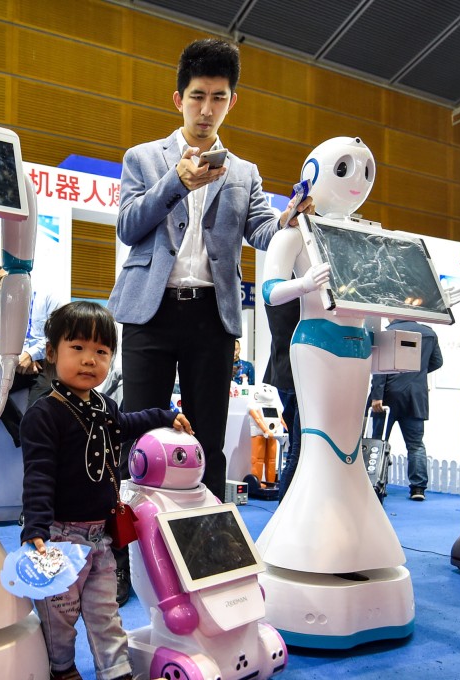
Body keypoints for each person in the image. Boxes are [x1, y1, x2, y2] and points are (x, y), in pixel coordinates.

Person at [107, 37, 312, 502]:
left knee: (207, 442)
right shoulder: (143, 158)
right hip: (149, 312)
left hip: (211, 317)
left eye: (218, 98)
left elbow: (262, 230)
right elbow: (129, 226)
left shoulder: (245, 173)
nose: (206, 109)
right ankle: (126, 555)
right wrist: (175, 182)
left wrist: (288, 219)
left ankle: (211, 547)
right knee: (140, 433)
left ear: (231, 102)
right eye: (197, 96)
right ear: (179, 99)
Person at [20, 301, 193, 680]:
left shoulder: (104, 406)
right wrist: (35, 528)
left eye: (101, 352)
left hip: (101, 537)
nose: (89, 360)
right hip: (58, 539)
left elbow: (130, 422)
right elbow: (38, 475)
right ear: (51, 353)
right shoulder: (44, 413)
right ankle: (61, 669)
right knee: (58, 615)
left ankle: (116, 671)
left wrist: (166, 415)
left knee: (105, 613)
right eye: (77, 348)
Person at [0, 266, 65, 448]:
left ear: (22, 278)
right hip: (21, 362)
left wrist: (31, 354)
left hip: (50, 361)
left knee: (36, 407)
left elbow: (58, 337)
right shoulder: (7, 307)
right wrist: (21, 357)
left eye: (2, 279)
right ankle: (23, 436)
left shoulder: (49, 297)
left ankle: (36, 439)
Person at [368, 319, 443, 501]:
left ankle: (374, 483)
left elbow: (380, 367)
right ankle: (418, 488)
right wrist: (418, 372)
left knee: (378, 442)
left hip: (387, 395)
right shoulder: (429, 333)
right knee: (416, 444)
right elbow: (437, 362)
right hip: (416, 396)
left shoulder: (386, 334)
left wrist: (377, 395)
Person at [263, 298, 301, 500]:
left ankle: (287, 504)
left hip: (281, 375)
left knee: (296, 449)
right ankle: (286, 505)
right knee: (299, 450)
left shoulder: (273, 299)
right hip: (299, 375)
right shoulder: (301, 299)